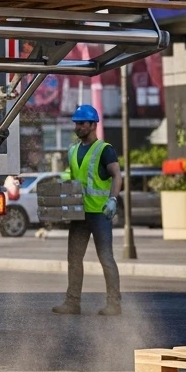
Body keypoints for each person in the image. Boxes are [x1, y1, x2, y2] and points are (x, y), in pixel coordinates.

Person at [52, 104, 123, 317]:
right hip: (79, 214)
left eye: (82, 123)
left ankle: (114, 304)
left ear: (93, 125)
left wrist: (112, 200)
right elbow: (71, 176)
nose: (78, 127)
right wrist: (60, 188)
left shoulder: (104, 149)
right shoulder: (73, 150)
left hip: (100, 214)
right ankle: (72, 303)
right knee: (74, 258)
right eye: (76, 123)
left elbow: (117, 175)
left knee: (106, 258)